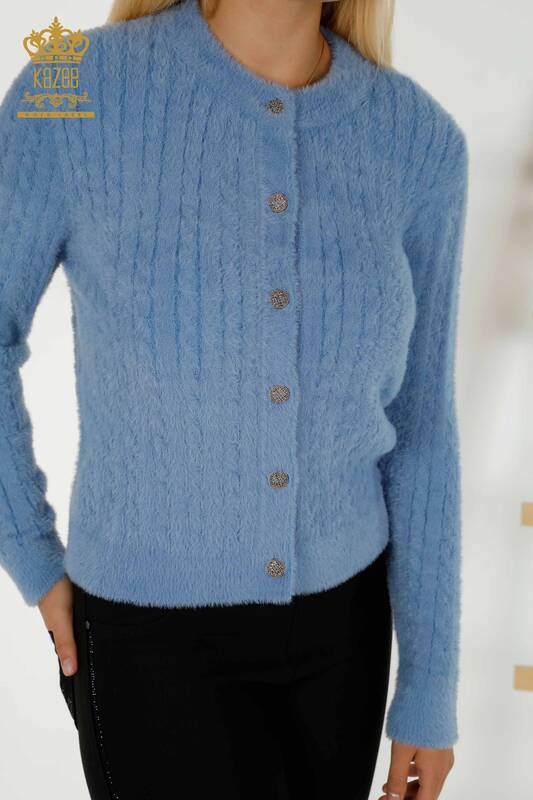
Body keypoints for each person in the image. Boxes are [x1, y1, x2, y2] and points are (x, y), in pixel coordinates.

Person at [0, 0, 468, 798]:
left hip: (345, 641)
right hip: (149, 643)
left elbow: (421, 424)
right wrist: (31, 553)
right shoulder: (73, 88)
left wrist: (429, 687)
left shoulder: (418, 141)